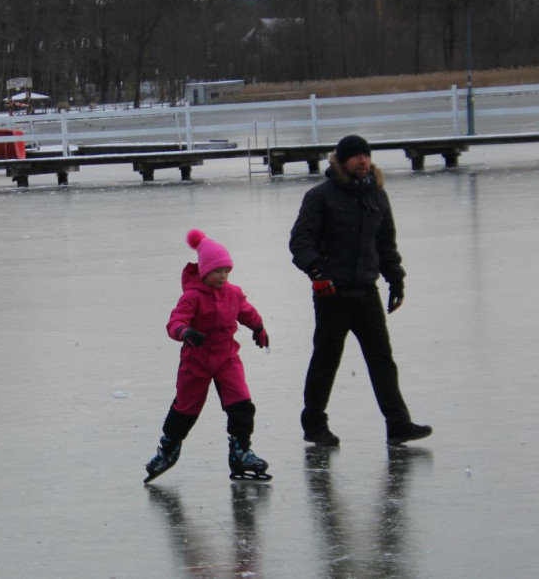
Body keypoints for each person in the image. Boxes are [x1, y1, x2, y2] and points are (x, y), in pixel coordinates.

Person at [289, 134, 432, 447]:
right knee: (326, 360)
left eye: (366, 156)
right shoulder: (320, 197)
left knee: (382, 359)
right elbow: (300, 242)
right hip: (332, 294)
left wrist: (396, 280)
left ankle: (398, 424)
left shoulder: (377, 196)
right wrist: (317, 272)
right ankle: (314, 424)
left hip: (366, 292)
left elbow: (385, 244)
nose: (362, 161)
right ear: (341, 161)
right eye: (355, 157)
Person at [145, 229, 272, 483]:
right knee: (185, 409)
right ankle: (168, 450)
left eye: (226, 270)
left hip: (227, 358)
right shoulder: (192, 296)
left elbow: (246, 311)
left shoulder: (233, 292)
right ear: (204, 271)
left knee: (242, 405)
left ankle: (240, 452)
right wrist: (184, 331)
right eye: (217, 271)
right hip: (197, 362)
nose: (222, 275)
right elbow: (175, 321)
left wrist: (258, 327)